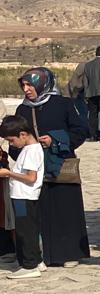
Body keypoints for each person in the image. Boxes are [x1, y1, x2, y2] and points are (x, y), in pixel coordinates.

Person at [13, 68, 89, 266]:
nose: (27, 89)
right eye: (24, 86)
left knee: (65, 208)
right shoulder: (23, 109)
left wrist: (56, 139)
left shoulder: (63, 104)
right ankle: (41, 253)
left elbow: (80, 131)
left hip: (61, 164)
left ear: (43, 84)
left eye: (30, 85)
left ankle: (69, 253)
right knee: (39, 209)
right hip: (34, 168)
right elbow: (15, 137)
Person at [0, 116, 45, 279]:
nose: (11, 144)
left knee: (24, 230)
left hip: (23, 196)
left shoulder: (32, 151)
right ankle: (36, 259)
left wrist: (9, 173)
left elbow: (31, 177)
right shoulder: (31, 148)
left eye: (12, 140)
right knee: (30, 228)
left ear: (23, 134)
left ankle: (29, 264)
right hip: (23, 196)